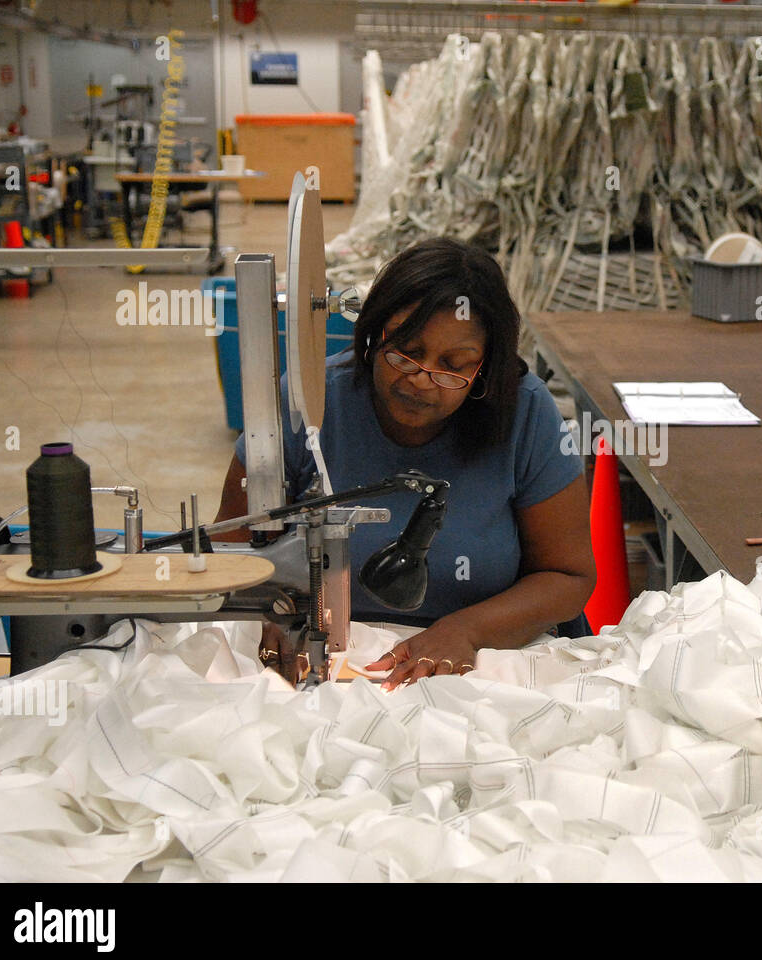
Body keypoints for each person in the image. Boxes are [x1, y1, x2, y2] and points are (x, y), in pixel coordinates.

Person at [214, 238, 596, 690]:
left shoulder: (526, 414)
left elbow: (568, 576)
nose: (421, 379)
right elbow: (228, 554)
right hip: (327, 664)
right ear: (373, 333)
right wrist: (264, 611)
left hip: (481, 660)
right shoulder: (307, 406)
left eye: (454, 365)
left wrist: (466, 631)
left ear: (486, 368)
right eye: (405, 352)